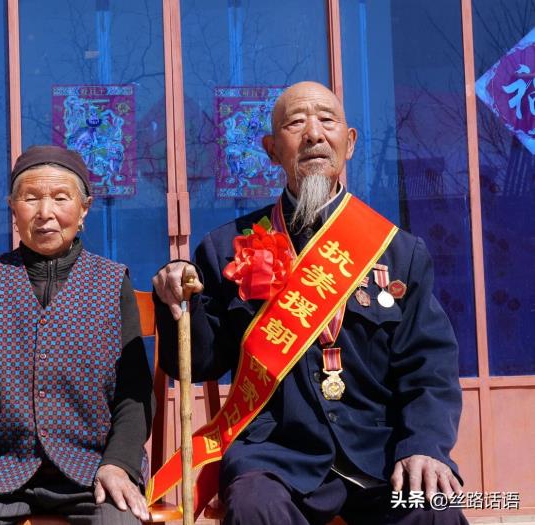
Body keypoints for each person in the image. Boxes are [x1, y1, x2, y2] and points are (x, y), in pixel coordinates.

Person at [152, 82, 468, 524]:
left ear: (349, 143)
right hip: (276, 454)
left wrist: (423, 446)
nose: (314, 134)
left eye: (327, 120)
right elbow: (199, 363)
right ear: (271, 150)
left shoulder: (399, 252)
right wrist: (175, 302)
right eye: (296, 122)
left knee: (434, 510)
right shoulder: (227, 248)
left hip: (378, 454)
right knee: (254, 506)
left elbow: (428, 367)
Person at [0, 145, 153, 525]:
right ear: (13, 209)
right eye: (30, 198)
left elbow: (135, 390)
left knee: (120, 522)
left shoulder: (112, 284)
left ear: (84, 209)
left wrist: (119, 463)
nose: (45, 212)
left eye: (60, 198)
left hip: (92, 470)